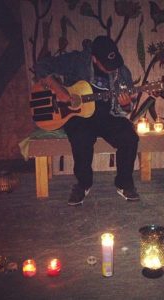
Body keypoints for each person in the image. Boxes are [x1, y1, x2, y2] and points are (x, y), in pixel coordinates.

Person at [34, 36, 140, 205]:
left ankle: (124, 183)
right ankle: (83, 184)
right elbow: (41, 66)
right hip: (77, 116)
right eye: (106, 65)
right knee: (81, 137)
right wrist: (59, 90)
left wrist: (126, 105)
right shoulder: (77, 61)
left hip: (107, 116)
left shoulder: (122, 71)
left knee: (130, 137)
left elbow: (126, 109)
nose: (110, 69)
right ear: (94, 58)